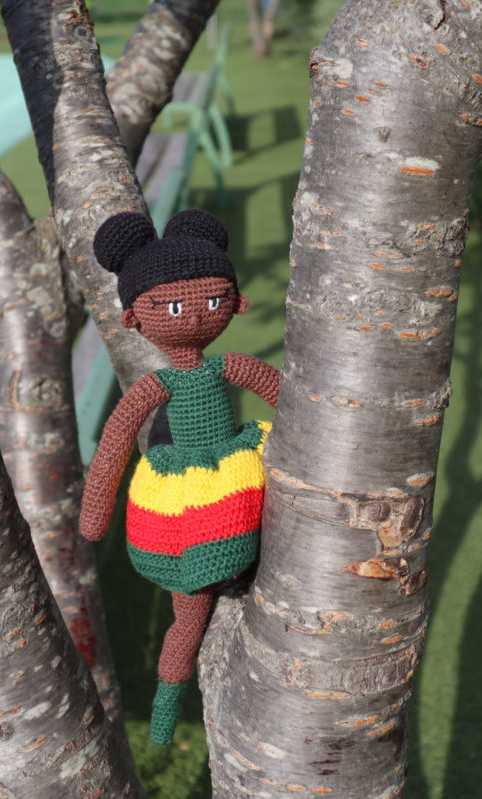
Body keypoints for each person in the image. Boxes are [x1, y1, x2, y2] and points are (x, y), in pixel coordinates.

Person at [79, 209, 279, 745]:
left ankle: (167, 710)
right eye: (172, 307)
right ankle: (165, 711)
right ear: (135, 318)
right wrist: (95, 512)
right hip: (187, 495)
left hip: (229, 474)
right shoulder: (159, 385)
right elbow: (114, 443)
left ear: (234, 303)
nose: (193, 315)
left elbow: (289, 397)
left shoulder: (226, 367)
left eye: (212, 301)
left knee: (188, 619)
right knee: (187, 620)